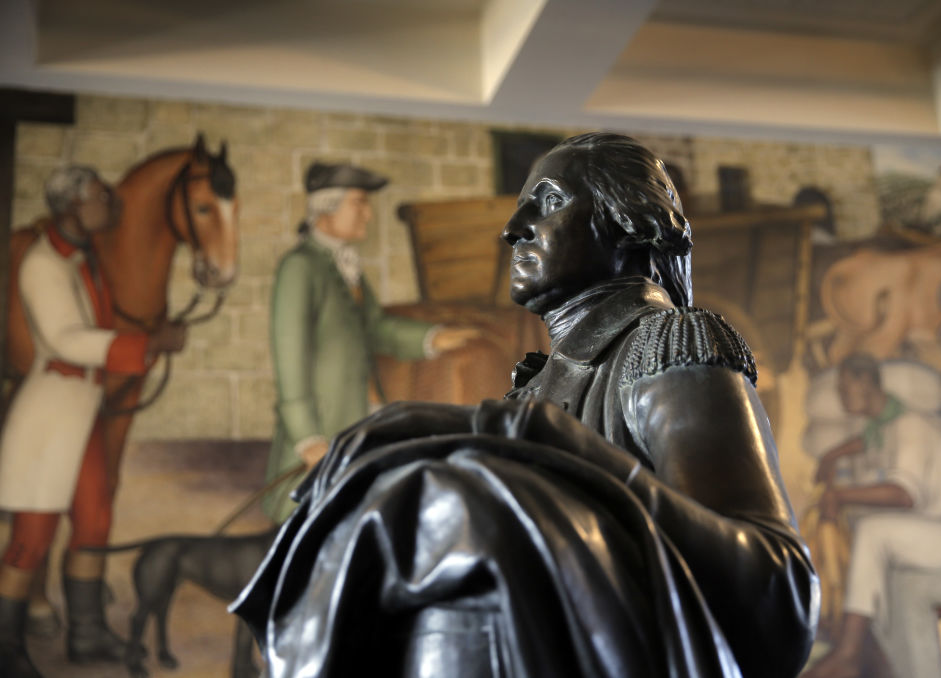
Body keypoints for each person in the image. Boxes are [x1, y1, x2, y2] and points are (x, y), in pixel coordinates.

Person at [234, 134, 819, 678]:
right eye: (521, 209)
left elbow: (780, 597)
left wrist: (550, 444)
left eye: (550, 202)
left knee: (449, 498)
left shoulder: (669, 345)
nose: (514, 229)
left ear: (627, 222)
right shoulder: (530, 393)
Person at [0, 166, 187, 678]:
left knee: (94, 522)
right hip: (49, 418)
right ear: (73, 205)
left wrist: (149, 341)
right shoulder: (43, 264)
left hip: (82, 413)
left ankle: (86, 634)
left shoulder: (84, 260)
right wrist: (146, 344)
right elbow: (65, 339)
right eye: (101, 196)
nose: (111, 203)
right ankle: (5, 647)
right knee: (31, 536)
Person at [263, 162, 478, 523]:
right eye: (359, 203)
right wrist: (308, 438)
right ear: (326, 208)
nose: (368, 214)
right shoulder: (299, 267)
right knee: (316, 520)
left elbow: (375, 328)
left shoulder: (347, 267)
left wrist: (432, 337)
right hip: (323, 428)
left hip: (360, 415)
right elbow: (289, 359)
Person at [804, 354, 941, 678]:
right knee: (855, 528)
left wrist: (839, 495)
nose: (841, 396)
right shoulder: (883, 427)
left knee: (873, 532)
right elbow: (866, 441)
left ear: (866, 382)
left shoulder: (910, 426)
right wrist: (832, 455)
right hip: (931, 529)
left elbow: (903, 494)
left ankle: (849, 654)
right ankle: (859, 645)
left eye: (845, 387)